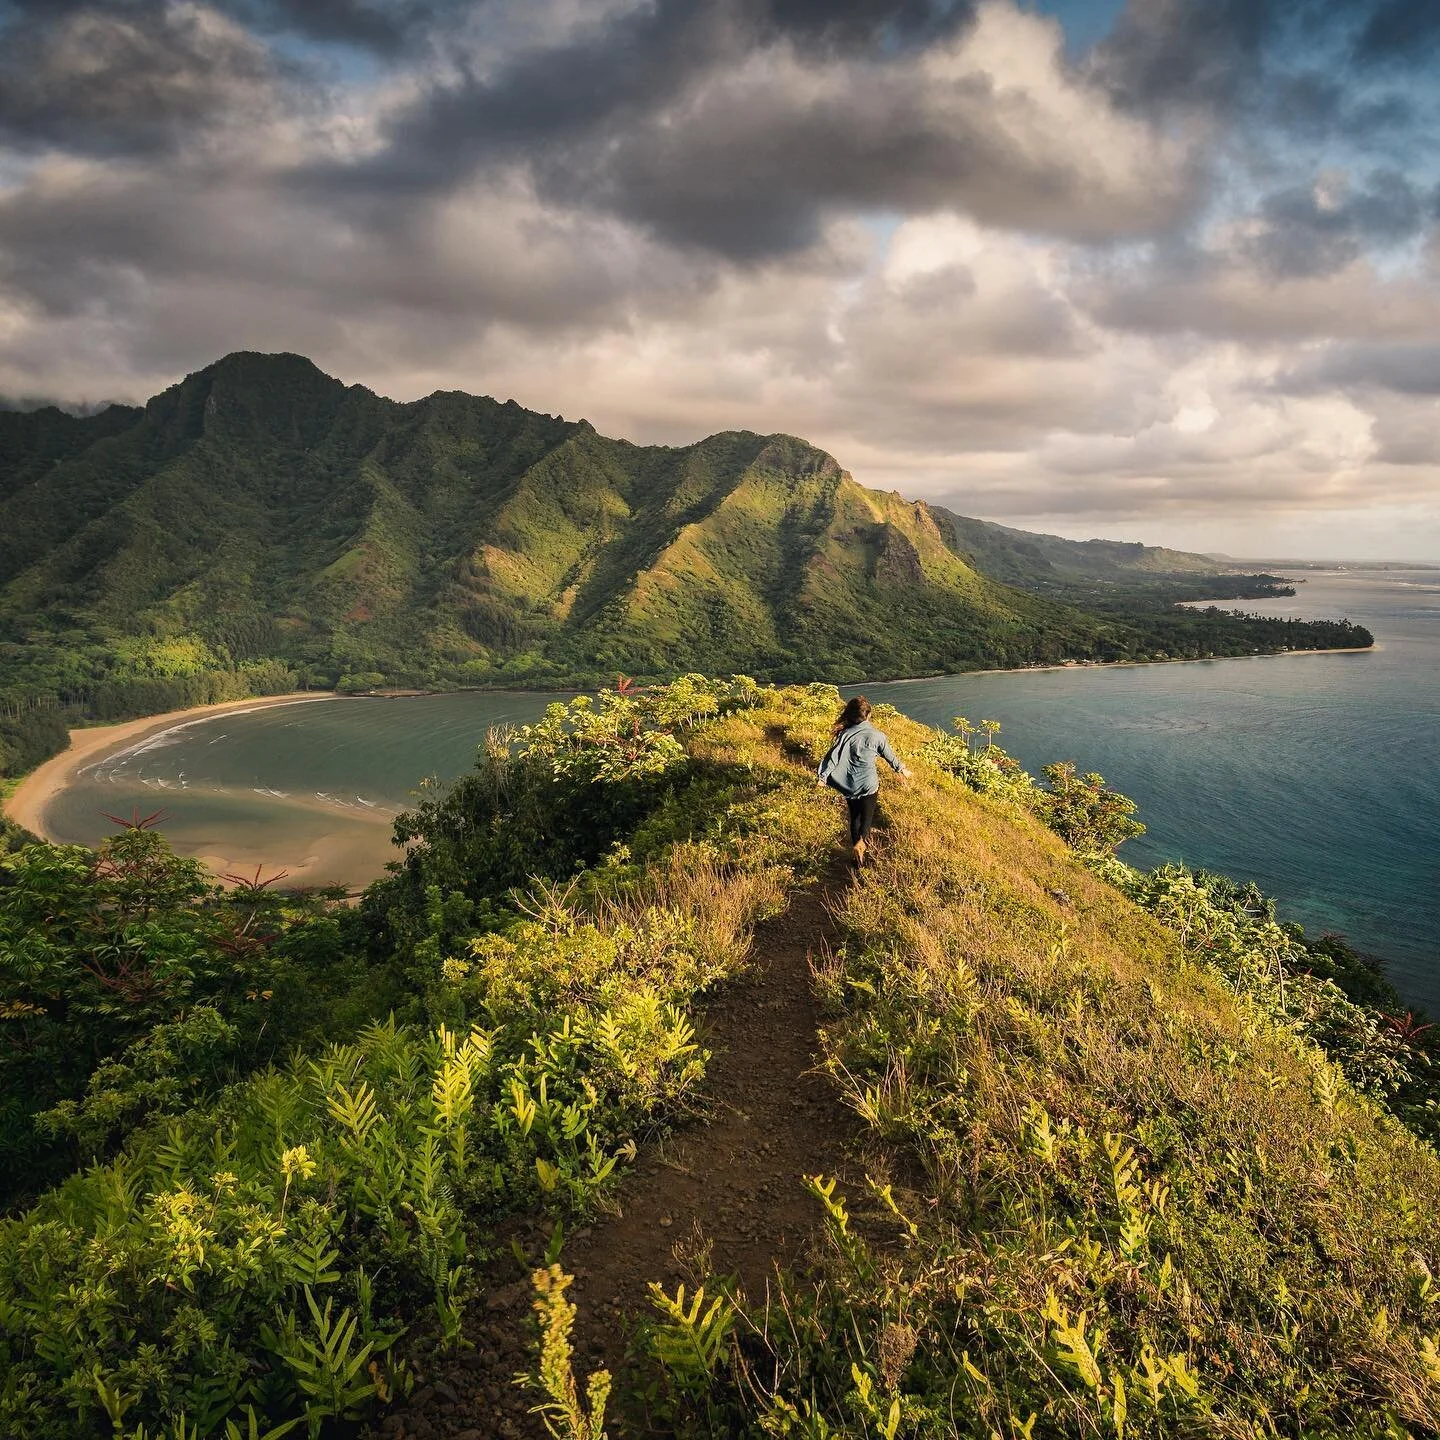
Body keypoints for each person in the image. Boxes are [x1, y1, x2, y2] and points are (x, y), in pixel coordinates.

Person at [817, 695, 907, 865]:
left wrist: (823, 777)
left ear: (849, 715)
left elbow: (833, 758)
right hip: (868, 784)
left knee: (854, 817)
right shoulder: (878, 735)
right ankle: (862, 844)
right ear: (868, 715)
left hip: (849, 785)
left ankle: (856, 859)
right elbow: (889, 756)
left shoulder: (844, 735)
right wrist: (901, 769)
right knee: (867, 819)